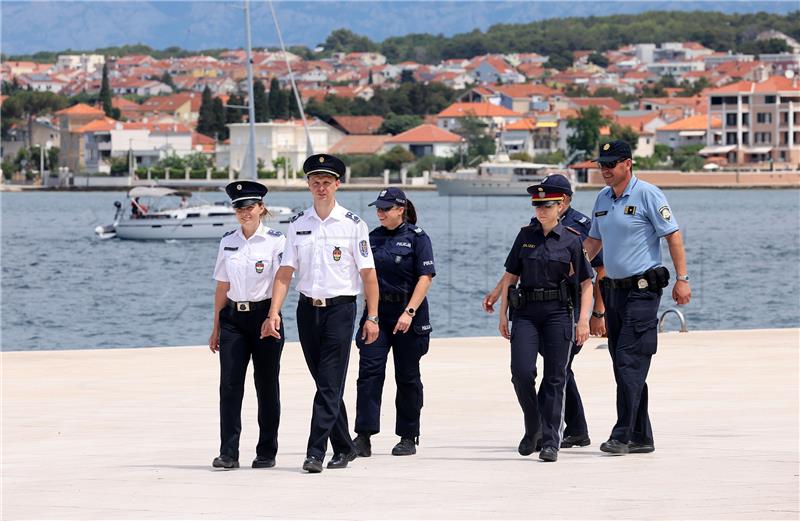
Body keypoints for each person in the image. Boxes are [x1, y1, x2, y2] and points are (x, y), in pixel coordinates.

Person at [262, 153, 379, 473]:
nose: (321, 187)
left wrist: (372, 317)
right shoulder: (299, 224)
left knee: (329, 383)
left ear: (338, 184)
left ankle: (316, 452)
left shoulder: (353, 224)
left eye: (327, 182)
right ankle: (344, 446)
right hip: (306, 310)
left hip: (341, 310)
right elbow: (285, 272)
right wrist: (273, 312)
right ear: (309, 185)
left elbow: (369, 276)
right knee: (325, 383)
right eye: (316, 182)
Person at [583, 140, 691, 455]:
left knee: (630, 360)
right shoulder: (602, 199)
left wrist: (682, 279)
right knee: (622, 361)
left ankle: (622, 434)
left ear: (628, 164)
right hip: (613, 291)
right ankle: (642, 435)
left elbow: (673, 236)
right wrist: (569, 268)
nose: (605, 170)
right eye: (601, 164)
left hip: (642, 292)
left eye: (611, 164)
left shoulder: (648, 195)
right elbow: (592, 242)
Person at [482, 174, 606, 449]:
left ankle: (552, 438)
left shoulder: (578, 231)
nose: (542, 208)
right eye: (538, 203)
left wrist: (593, 316)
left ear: (562, 202)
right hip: (527, 311)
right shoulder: (528, 233)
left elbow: (595, 275)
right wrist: (499, 302)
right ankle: (540, 426)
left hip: (562, 312)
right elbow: (512, 273)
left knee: (558, 374)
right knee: (523, 372)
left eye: (549, 202)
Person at [352, 187, 435, 458]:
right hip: (377, 313)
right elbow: (365, 277)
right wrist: (370, 315)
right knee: (369, 374)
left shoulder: (417, 238)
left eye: (386, 208)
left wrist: (409, 312)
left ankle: (408, 436)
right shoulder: (371, 238)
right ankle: (363, 435)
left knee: (408, 376)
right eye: (378, 208)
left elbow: (425, 277)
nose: (380, 213)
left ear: (401, 210)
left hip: (408, 314)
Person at [208, 180, 286, 470]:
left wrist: (273, 315)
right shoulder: (228, 241)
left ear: (261, 208)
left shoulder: (276, 240)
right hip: (233, 320)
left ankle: (266, 451)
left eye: (250, 207)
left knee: (266, 386)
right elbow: (221, 286)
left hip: (265, 316)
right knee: (229, 386)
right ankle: (228, 452)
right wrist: (216, 326)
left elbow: (281, 281)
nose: (244, 212)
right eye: (239, 208)